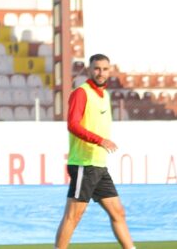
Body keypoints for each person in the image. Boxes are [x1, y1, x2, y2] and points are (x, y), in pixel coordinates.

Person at [54, 54, 135, 249]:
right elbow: (73, 125)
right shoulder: (81, 93)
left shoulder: (105, 95)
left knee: (118, 212)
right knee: (73, 215)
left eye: (105, 69)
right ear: (90, 70)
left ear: (110, 71)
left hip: (98, 165)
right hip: (84, 163)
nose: (101, 73)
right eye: (97, 69)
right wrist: (100, 140)